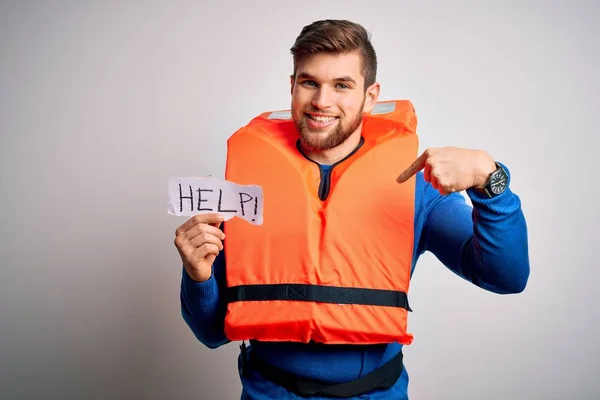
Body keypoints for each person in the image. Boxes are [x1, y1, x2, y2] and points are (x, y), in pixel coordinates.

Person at [174, 19, 530, 400]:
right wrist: (198, 277)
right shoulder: (243, 189)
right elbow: (211, 334)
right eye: (310, 82)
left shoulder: (418, 188)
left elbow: (506, 277)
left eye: (342, 85)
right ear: (292, 86)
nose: (322, 102)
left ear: (370, 96)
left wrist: (491, 184)